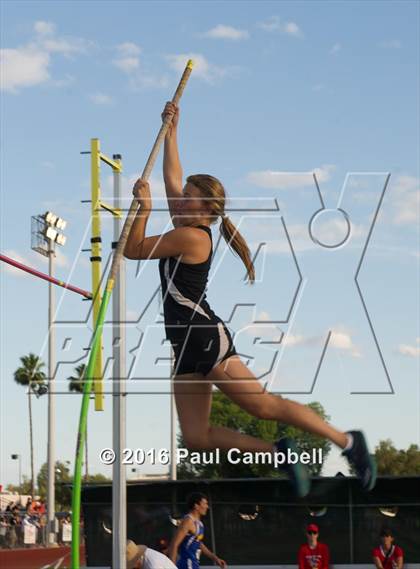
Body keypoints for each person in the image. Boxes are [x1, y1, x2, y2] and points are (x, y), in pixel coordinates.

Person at [123, 101, 377, 497]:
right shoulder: (188, 221)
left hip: (205, 339)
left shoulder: (192, 235)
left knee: (264, 406)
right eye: (183, 195)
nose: (180, 199)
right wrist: (172, 130)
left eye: (188, 197)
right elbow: (172, 176)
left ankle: (347, 441)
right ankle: (278, 454)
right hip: (184, 347)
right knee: (197, 436)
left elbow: (133, 248)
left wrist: (144, 207)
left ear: (207, 210)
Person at [167, 492, 225, 569]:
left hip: (194, 564)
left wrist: (215, 558)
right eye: (205, 504)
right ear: (196, 506)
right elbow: (174, 544)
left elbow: (199, 543)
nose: (207, 507)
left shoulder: (199, 523)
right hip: (187, 564)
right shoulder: (188, 522)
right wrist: (172, 567)